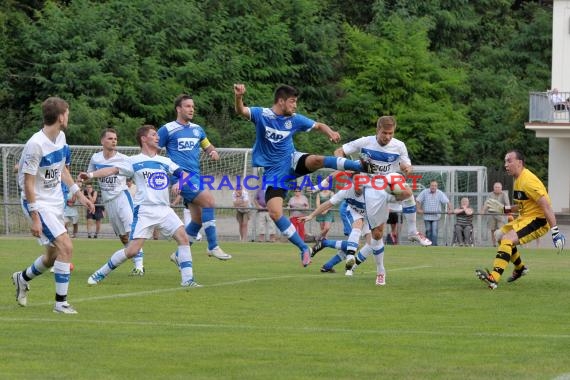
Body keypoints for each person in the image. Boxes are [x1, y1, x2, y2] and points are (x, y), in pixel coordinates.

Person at [234, 83, 369, 266]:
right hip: (274, 173)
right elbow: (241, 110)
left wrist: (330, 131)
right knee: (275, 213)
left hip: (292, 160)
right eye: (292, 101)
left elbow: (318, 125)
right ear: (281, 101)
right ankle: (304, 248)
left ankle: (359, 166)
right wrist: (239, 96)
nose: (295, 105)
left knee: (316, 160)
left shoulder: (294, 119)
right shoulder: (262, 114)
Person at [84, 125, 201, 287]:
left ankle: (188, 280)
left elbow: (186, 175)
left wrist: (180, 183)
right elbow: (111, 170)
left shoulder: (164, 161)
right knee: (132, 250)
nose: (158, 137)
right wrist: (90, 175)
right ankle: (100, 273)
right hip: (144, 210)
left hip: (164, 209)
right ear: (144, 139)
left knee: (183, 238)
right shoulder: (133, 161)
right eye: (154, 135)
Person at [11, 96, 95, 313]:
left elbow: (62, 170)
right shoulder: (35, 145)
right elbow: (28, 184)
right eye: (67, 113)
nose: (68, 116)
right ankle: (61, 303)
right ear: (60, 116)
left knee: (52, 257)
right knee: (66, 247)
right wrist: (35, 217)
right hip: (39, 203)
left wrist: (79, 194)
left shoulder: (61, 137)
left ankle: (22, 278)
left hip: (55, 201)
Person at [334, 115, 432, 247]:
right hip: (369, 188)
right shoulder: (365, 142)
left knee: (407, 193)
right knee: (377, 234)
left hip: (387, 183)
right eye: (384, 133)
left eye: (391, 133)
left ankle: (413, 231)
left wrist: (407, 168)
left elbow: (405, 164)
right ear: (377, 130)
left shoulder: (399, 146)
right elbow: (338, 151)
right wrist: (345, 166)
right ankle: (367, 261)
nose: (387, 137)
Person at [476, 150, 565, 289]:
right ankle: (520, 268)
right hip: (525, 218)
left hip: (538, 221)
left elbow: (546, 205)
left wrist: (555, 231)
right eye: (505, 161)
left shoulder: (528, 181)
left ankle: (494, 278)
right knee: (499, 235)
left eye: (509, 161)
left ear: (519, 163)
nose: (506, 165)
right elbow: (523, 204)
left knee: (507, 239)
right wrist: (505, 209)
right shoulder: (518, 179)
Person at [157, 94, 231, 260]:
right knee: (210, 202)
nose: (191, 109)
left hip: (195, 176)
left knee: (197, 220)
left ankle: (178, 255)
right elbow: (154, 152)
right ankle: (213, 246)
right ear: (178, 109)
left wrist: (212, 151)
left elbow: (206, 144)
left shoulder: (197, 129)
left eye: (193, 106)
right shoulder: (167, 129)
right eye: (188, 106)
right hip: (181, 177)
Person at [82, 128, 145, 275]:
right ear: (102, 141)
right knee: (123, 236)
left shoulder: (123, 158)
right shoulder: (95, 158)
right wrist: (82, 183)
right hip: (108, 201)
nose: (114, 141)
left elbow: (131, 175)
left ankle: (140, 266)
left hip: (122, 197)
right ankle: (136, 263)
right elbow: (89, 177)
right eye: (110, 138)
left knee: (131, 231)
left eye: (115, 139)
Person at [416, 180, 453, 246]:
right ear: (430, 186)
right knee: (428, 231)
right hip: (427, 216)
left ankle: (434, 245)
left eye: (435, 186)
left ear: (437, 186)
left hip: (436, 216)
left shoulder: (440, 193)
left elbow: (447, 201)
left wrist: (450, 209)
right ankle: (427, 244)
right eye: (432, 185)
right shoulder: (424, 192)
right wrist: (418, 209)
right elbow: (418, 200)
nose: (433, 187)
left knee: (434, 232)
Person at [481, 182, 510, 247]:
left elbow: (507, 204)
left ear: (501, 188)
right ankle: (493, 244)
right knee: (492, 230)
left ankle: (502, 244)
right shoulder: (490, 194)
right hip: (492, 214)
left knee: (501, 230)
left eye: (498, 187)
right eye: (496, 187)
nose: (497, 188)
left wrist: (508, 213)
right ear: (493, 188)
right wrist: (483, 210)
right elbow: (486, 203)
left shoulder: (504, 194)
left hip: (501, 215)